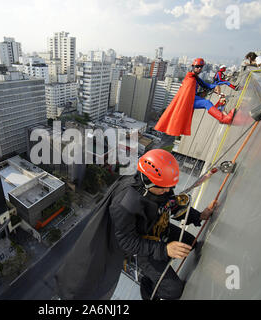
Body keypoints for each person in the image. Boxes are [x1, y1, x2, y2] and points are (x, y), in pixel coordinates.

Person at [55, 148, 217, 300]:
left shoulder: (159, 186)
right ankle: (148, 286)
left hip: (159, 228)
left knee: (193, 245)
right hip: (142, 245)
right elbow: (126, 242)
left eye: (170, 187)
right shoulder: (125, 204)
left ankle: (160, 263)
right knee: (173, 290)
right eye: (164, 189)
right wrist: (164, 249)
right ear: (148, 182)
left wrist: (199, 216)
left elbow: (171, 203)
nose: (168, 191)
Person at [154, 58, 236, 136]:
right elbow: (188, 93)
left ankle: (222, 115)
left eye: (201, 67)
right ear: (193, 67)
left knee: (208, 103)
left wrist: (214, 86)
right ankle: (224, 119)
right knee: (206, 103)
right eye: (197, 67)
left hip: (193, 98)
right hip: (189, 101)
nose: (199, 68)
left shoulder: (195, 77)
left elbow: (205, 85)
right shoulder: (190, 78)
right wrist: (211, 88)